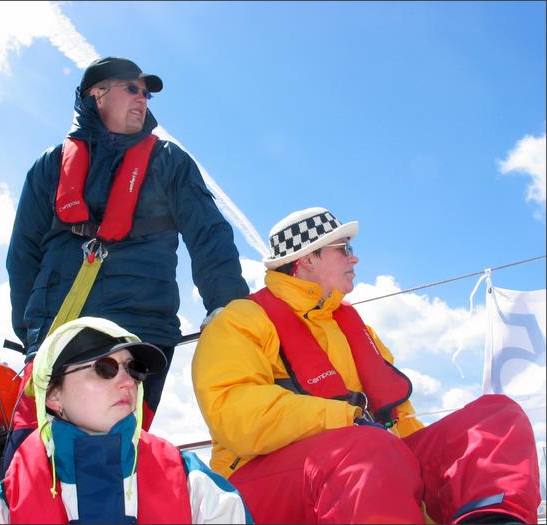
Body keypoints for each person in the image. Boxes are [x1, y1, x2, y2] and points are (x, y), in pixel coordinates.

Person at [191, 206, 540, 524]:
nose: (354, 259)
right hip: (259, 486)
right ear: (307, 259)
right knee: (366, 448)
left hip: (370, 466)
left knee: (496, 417)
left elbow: (401, 423)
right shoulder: (241, 320)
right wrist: (348, 419)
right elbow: (234, 415)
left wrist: (427, 473)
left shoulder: (357, 328)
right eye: (343, 248)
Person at [4, 55, 249, 467]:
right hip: (56, 334)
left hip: (139, 332)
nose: (143, 99)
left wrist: (226, 303)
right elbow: (23, 255)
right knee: (30, 461)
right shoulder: (50, 166)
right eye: (132, 88)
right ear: (97, 95)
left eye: (147, 93)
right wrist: (30, 334)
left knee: (116, 463)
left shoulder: (169, 162)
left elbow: (208, 232)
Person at [0, 317, 252, 524]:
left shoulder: (195, 485)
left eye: (134, 369)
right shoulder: (2, 509)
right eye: (105, 368)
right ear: (53, 396)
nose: (128, 382)